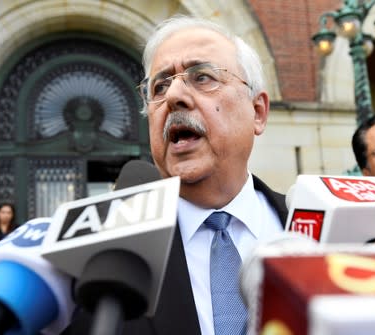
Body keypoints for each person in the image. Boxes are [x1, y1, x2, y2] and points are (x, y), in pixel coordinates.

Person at [62, 15, 287, 335]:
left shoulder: (319, 237)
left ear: (258, 112)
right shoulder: (96, 255)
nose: (173, 96)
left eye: (203, 77)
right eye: (160, 86)